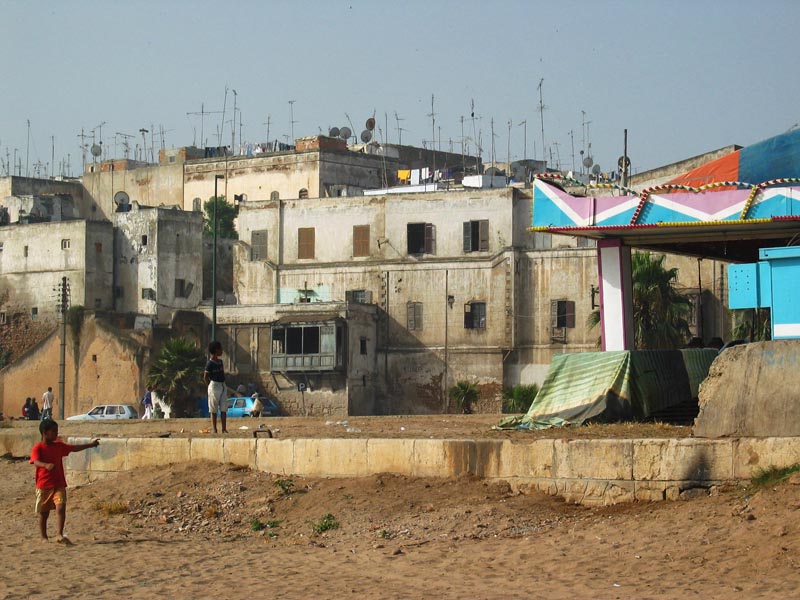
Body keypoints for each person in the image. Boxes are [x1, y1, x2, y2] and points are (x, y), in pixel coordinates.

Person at [30, 419, 99, 544]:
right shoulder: (38, 448)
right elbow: (35, 461)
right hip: (44, 485)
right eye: (54, 431)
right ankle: (44, 537)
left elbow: (73, 448)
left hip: (58, 484)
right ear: (45, 433)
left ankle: (59, 534)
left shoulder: (59, 446)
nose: (56, 433)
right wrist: (45, 465)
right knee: (44, 513)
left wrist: (90, 445)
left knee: (61, 508)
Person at [203, 340, 228, 434]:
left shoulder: (220, 362)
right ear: (216, 350)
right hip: (214, 385)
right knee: (213, 409)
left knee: (223, 408)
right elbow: (205, 377)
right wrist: (209, 386)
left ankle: (224, 429)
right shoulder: (210, 364)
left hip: (222, 385)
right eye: (220, 349)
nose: (222, 351)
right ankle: (214, 429)